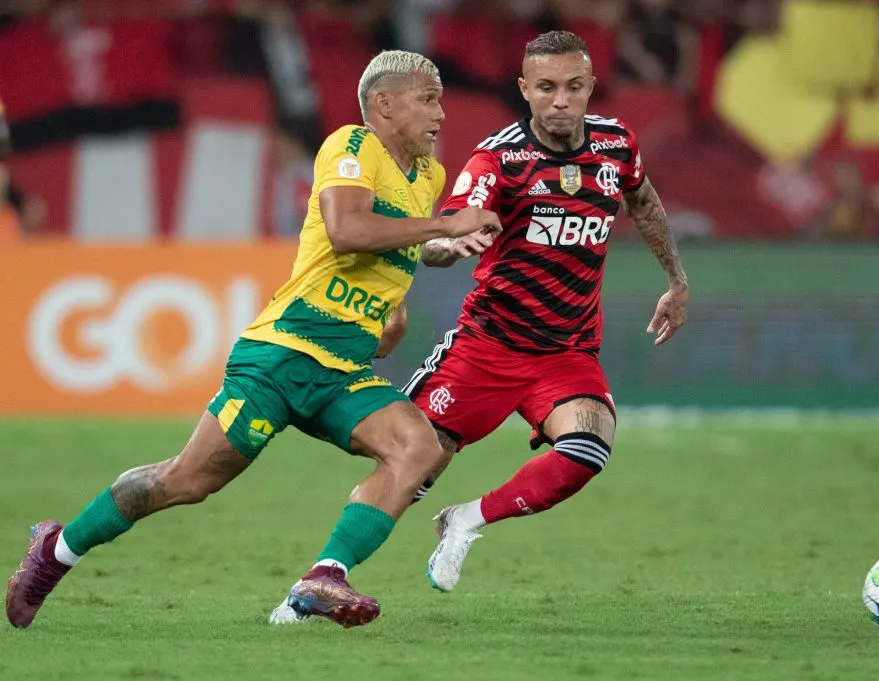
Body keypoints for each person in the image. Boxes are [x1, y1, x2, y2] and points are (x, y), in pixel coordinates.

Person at [6, 50, 500, 630]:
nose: (441, 112)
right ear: (383, 105)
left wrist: (435, 255)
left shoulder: (430, 176)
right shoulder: (352, 146)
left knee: (418, 446)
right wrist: (445, 225)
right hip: (282, 354)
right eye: (427, 98)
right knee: (184, 482)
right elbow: (345, 231)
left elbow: (399, 243)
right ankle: (56, 550)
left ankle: (325, 577)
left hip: (342, 367)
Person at [270, 30, 688, 622]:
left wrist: (676, 279)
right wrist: (453, 240)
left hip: (566, 353)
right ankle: (318, 582)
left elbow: (643, 203)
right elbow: (447, 231)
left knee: (589, 448)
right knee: (409, 467)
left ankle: (468, 519)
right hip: (485, 349)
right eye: (546, 88)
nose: (561, 100)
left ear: (591, 86)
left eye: (573, 87)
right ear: (525, 90)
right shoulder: (500, 158)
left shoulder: (617, 145)